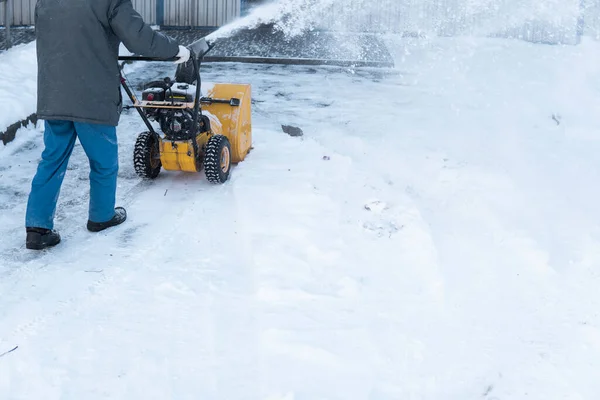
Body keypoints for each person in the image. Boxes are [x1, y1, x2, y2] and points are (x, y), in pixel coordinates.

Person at [24, 0, 191, 250]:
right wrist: (176, 50)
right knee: (103, 161)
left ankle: (37, 229)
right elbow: (139, 39)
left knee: (52, 159)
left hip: (55, 93)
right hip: (92, 97)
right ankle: (101, 217)